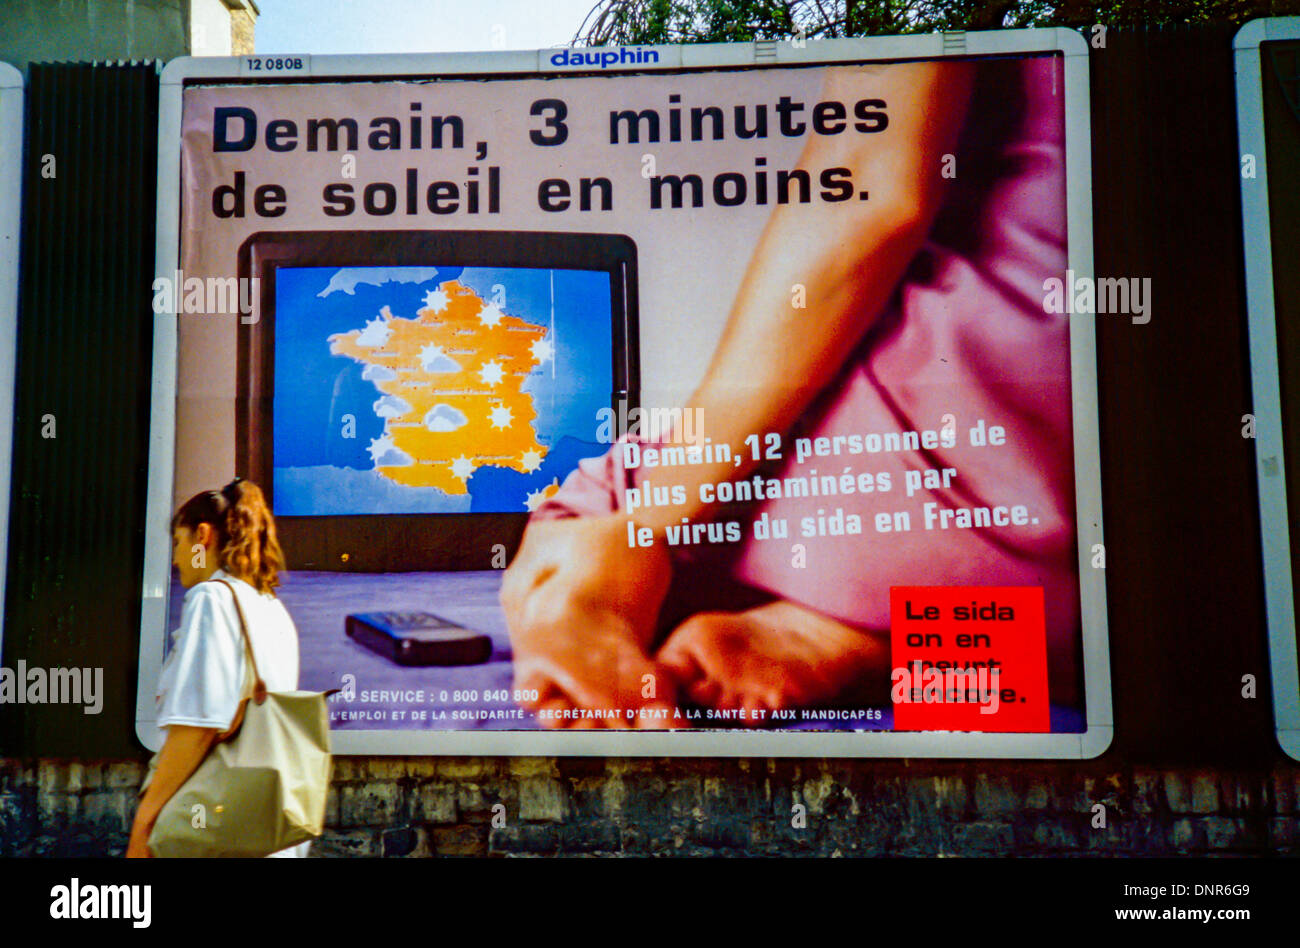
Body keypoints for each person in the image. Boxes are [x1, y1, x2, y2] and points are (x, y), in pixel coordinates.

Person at [501, 56, 1079, 727]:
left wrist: (644, 530)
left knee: (589, 512)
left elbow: (873, 185)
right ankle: (876, 641)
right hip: (1100, 482)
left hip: (976, 413)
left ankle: (839, 616)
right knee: (1124, 646)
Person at [127, 477, 308, 857]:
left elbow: (198, 726)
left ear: (203, 536)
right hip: (267, 831)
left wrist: (145, 819)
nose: (176, 559)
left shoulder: (211, 599)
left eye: (178, 542)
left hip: (212, 829)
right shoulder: (270, 606)